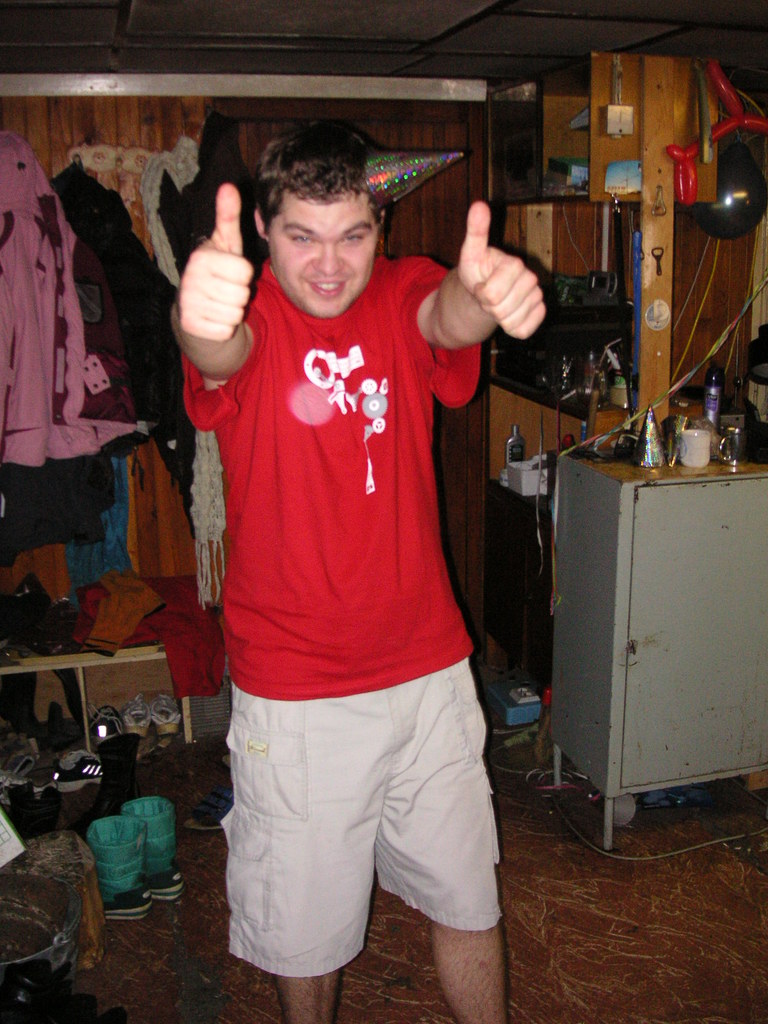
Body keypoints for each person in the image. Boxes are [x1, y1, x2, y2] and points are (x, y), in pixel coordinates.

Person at [174, 120, 545, 1024]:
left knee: (470, 901)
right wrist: (195, 321)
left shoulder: (402, 288)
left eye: (353, 235)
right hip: (297, 693)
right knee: (305, 938)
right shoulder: (251, 316)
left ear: (381, 229)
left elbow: (445, 315)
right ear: (265, 231)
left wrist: (481, 294)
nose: (330, 264)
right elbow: (217, 353)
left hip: (427, 678)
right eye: (302, 236)